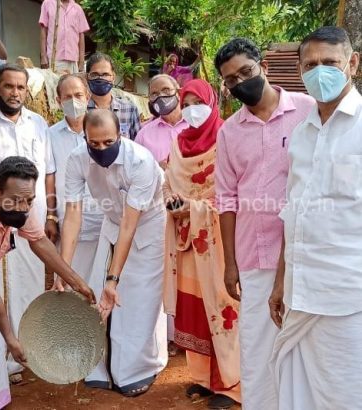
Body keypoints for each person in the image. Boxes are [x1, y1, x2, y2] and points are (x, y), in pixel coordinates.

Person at [213, 38, 314, 409]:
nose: (241, 82)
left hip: (304, 253)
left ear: (264, 68)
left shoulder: (308, 111)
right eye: (231, 79)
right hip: (254, 254)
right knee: (257, 347)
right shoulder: (229, 131)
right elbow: (225, 198)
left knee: (304, 346)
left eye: (246, 72)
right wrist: (229, 262)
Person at [268, 26, 362, 410]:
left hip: (348, 295)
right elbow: (295, 213)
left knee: (346, 392)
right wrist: (280, 280)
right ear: (299, 69)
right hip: (299, 291)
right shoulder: (302, 133)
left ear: (352, 64)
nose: (320, 72)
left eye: (330, 63)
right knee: (298, 390)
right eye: (311, 65)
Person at [59, 109, 167, 396]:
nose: (101, 149)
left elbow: (131, 224)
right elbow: (72, 214)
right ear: (85, 138)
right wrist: (63, 271)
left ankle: (138, 369)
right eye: (94, 144)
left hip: (147, 225)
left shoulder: (140, 161)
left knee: (138, 298)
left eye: (108, 142)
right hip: (112, 222)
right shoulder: (77, 158)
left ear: (120, 134)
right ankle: (98, 366)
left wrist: (113, 279)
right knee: (96, 294)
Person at [0, 156, 95, 410]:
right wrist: (10, 338)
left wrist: (76, 281)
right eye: (17, 201)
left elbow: (39, 241)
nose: (22, 207)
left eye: (29, 201)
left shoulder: (19, 200)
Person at [0, 63, 58, 378]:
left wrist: (51, 212)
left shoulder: (39, 124)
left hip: (30, 217)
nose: (15, 93)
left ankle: (24, 350)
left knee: (29, 283)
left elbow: (47, 172)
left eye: (20, 87)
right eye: (8, 86)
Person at [162, 79, 240, 409]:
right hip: (187, 243)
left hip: (219, 242)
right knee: (195, 306)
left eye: (199, 101)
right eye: (187, 101)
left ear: (212, 102)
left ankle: (232, 384)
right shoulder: (178, 144)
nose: (193, 108)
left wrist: (193, 207)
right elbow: (168, 184)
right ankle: (206, 379)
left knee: (223, 308)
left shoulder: (227, 138)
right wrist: (173, 204)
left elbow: (232, 193)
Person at [49, 74, 103, 284]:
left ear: (88, 96)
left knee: (98, 287)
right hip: (67, 225)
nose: (74, 101)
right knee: (68, 285)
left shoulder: (101, 132)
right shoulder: (50, 135)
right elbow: (49, 178)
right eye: (67, 96)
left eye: (79, 95)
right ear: (58, 100)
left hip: (101, 224)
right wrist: (51, 216)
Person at [135, 74, 189, 169]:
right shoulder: (143, 134)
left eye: (166, 90)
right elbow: (135, 169)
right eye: (154, 94)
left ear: (179, 93)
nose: (161, 96)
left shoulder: (196, 125)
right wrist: (156, 169)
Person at [86, 52, 141, 140]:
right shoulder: (81, 110)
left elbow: (138, 146)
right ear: (87, 77)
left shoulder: (129, 109)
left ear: (113, 77)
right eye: (95, 74)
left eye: (105, 74)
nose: (100, 78)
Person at [39, 0, 89, 74]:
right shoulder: (47, 4)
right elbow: (43, 31)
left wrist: (81, 62)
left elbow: (81, 35)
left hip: (73, 60)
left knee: (72, 84)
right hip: (54, 59)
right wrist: (43, 57)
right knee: (55, 84)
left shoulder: (77, 9)